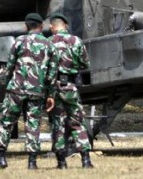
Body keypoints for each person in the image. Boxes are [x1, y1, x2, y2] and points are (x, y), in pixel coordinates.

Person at [0, 12, 58, 170]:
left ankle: (0, 158)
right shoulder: (49, 44)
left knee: (7, 122)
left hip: (16, 90)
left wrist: (7, 85)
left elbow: (9, 67)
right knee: (33, 124)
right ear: (41, 26)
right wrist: (51, 95)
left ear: (26, 26)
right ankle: (32, 162)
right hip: (37, 91)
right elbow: (52, 73)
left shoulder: (19, 42)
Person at [47, 12, 94, 169]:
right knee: (77, 123)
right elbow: (85, 64)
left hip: (54, 88)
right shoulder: (76, 41)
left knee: (57, 124)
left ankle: (61, 162)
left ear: (52, 27)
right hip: (71, 86)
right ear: (65, 26)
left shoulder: (47, 42)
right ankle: (86, 160)